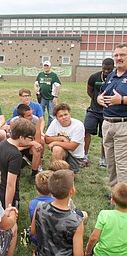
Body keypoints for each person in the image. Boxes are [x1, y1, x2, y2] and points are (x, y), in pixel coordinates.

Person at [31, 169, 84, 256]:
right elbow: (78, 254)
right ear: (72, 191)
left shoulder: (40, 207)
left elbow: (33, 231)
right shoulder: (76, 221)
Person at [97, 43, 127, 188]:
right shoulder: (112, 75)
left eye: (122, 55)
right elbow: (101, 92)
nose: (119, 58)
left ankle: (123, 199)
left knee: (122, 163)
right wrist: (99, 99)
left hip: (123, 124)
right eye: (116, 55)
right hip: (107, 123)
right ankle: (115, 194)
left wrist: (121, 100)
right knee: (111, 161)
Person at [0, 118, 39, 208]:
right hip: (5, 195)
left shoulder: (3, 144)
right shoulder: (16, 156)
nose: (32, 140)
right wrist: (9, 208)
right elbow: (10, 184)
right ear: (22, 138)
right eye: (31, 138)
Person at [83, 58, 114, 168]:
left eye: (109, 69)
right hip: (93, 110)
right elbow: (89, 91)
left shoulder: (115, 78)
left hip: (107, 112)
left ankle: (103, 159)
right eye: (104, 69)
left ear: (113, 68)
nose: (106, 71)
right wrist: (96, 100)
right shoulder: (94, 77)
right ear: (101, 67)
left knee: (105, 136)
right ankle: (84, 156)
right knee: (86, 131)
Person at [85, 182, 127, 256]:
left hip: (101, 254)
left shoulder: (104, 215)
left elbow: (93, 238)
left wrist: (88, 251)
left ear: (112, 200)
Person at [45, 103, 85, 174]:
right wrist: (61, 138)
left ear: (69, 114)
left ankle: (62, 171)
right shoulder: (55, 122)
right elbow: (46, 139)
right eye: (60, 116)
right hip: (62, 151)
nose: (64, 117)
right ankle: (53, 174)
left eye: (66, 114)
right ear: (56, 118)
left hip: (75, 156)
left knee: (68, 176)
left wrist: (55, 142)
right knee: (57, 149)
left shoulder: (78, 125)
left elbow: (72, 147)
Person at [34, 61, 61, 127]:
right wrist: (36, 90)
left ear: (50, 67)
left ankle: (50, 127)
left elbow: (58, 86)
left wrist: (56, 96)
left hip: (51, 98)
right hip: (42, 97)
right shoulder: (40, 74)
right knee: (41, 113)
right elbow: (36, 83)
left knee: (51, 114)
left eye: (47, 66)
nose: (46, 67)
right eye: (44, 66)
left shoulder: (54, 75)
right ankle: (40, 126)